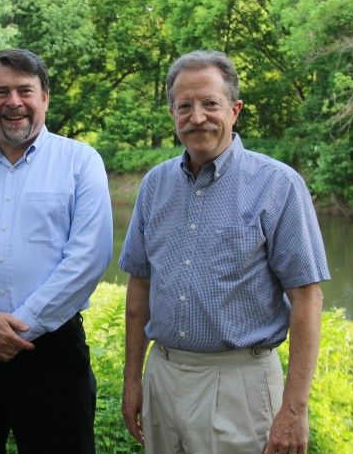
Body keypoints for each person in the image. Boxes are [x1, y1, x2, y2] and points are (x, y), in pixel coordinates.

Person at [119, 49, 329, 453]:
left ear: (234, 109)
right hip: (162, 374)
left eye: (210, 104)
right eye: (185, 106)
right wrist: (133, 379)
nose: (197, 116)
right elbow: (139, 286)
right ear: (172, 114)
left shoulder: (278, 186)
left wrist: (294, 408)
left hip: (240, 385)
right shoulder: (154, 186)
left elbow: (307, 298)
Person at [0, 48, 113, 454]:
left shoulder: (81, 162)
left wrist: (20, 326)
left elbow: (88, 258)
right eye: (1, 92)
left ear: (45, 97)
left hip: (52, 351)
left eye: (25, 91)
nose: (14, 103)